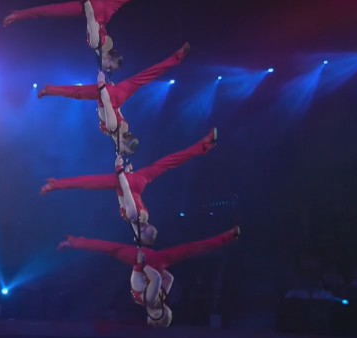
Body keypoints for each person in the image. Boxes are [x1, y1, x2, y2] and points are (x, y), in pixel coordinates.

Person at [4, 0, 177, 71]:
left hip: (105, 11)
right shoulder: (98, 44)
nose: (107, 69)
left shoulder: (105, 48)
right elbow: (92, 20)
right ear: (109, 58)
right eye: (110, 67)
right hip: (93, 11)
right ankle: (17, 15)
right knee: (52, 11)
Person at [41, 128, 218, 236]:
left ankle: (203, 146)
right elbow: (124, 191)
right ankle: (56, 185)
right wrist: (121, 171)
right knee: (90, 182)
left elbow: (138, 225)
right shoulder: (134, 217)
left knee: (168, 162)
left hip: (137, 182)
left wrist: (127, 173)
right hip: (126, 183)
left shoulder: (141, 219)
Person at [57, 226, 241, 327]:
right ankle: (73, 242)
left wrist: (156, 268)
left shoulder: (158, 297)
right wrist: (144, 265)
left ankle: (229, 236)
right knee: (109, 248)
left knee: (191, 249)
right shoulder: (150, 300)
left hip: (157, 262)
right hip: (144, 261)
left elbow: (166, 279)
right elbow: (157, 279)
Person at [38, 43, 190, 154]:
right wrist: (102, 84)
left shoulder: (123, 130)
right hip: (107, 96)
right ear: (123, 142)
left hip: (120, 94)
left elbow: (117, 118)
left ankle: (176, 58)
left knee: (145, 77)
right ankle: (49, 90)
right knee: (78, 93)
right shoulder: (113, 127)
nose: (121, 151)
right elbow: (107, 105)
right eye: (123, 150)